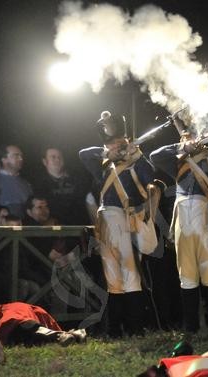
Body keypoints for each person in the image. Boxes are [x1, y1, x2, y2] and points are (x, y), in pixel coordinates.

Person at [149, 115, 208, 335]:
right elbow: (154, 156)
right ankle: (191, 328)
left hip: (207, 215)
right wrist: (181, 147)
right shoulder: (178, 161)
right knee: (186, 273)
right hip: (183, 215)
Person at [80, 111, 156, 337]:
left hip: (130, 218)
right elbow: (83, 154)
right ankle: (115, 328)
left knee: (130, 273)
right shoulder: (103, 163)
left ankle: (134, 326)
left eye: (118, 142)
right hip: (109, 216)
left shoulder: (136, 160)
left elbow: (150, 179)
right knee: (113, 274)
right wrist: (107, 153)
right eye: (110, 143)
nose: (115, 145)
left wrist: (137, 155)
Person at [33, 147, 91, 225]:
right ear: (44, 161)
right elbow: (39, 208)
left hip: (82, 226)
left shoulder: (78, 179)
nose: (57, 159)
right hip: (57, 229)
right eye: (53, 157)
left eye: (59, 157)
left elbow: (90, 202)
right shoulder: (39, 185)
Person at [0, 144, 33, 219]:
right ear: (4, 159)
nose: (21, 159)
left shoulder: (26, 184)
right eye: (16, 156)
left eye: (21, 156)